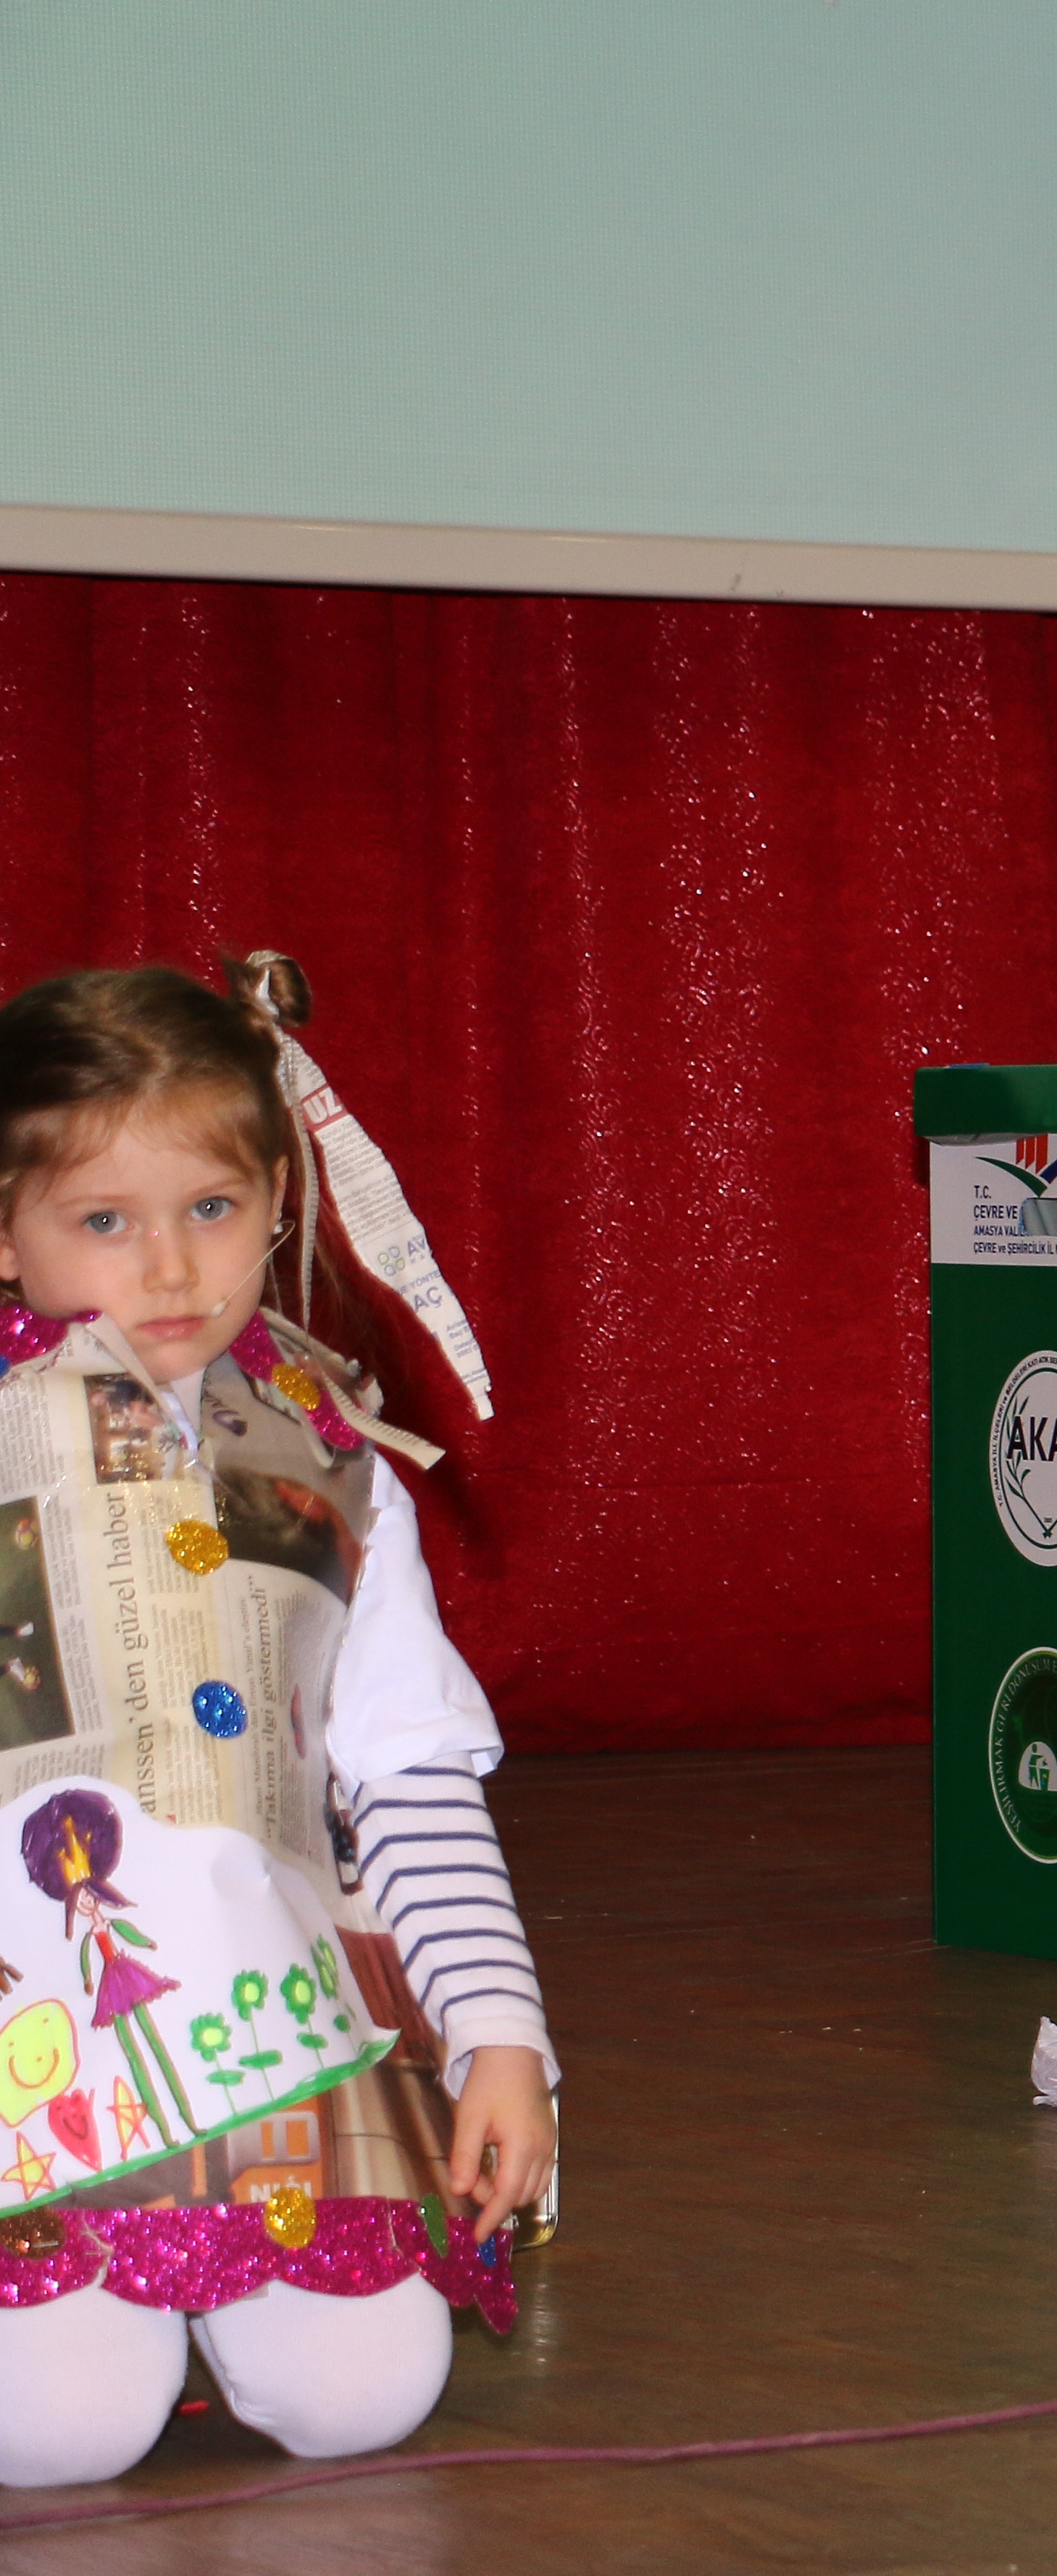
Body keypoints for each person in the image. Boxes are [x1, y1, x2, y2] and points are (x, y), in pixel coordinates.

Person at [0, 956, 552, 2488]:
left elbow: (411, 1766)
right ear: (6, 1225)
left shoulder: (331, 1446)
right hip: (25, 2051)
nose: (169, 1266)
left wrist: (501, 2035)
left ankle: (200, 2297)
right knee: (61, 2431)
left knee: (364, 2402)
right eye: (104, 1220)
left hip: (267, 2045)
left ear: (280, 1202)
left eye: (213, 1208)